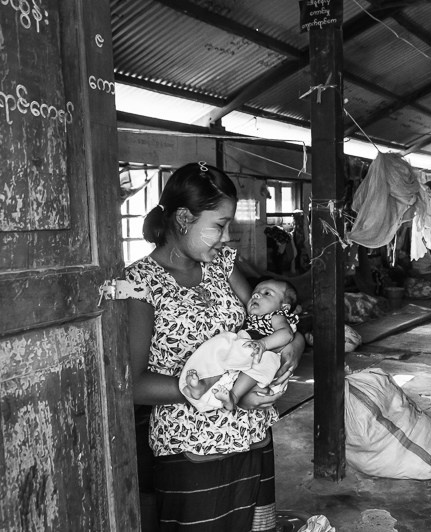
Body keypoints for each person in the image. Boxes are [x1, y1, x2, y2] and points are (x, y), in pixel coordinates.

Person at [125, 162, 305, 531]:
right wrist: (224, 390)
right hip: (191, 448)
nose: (226, 238)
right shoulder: (139, 283)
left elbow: (270, 319)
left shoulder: (222, 266)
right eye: (219, 226)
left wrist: (296, 343)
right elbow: (133, 385)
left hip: (250, 434)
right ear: (183, 218)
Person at [180, 278, 299, 412]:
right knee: (222, 350)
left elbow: (287, 334)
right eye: (255, 292)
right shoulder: (253, 318)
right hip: (246, 349)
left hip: (264, 353)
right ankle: (204, 385)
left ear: (284, 307)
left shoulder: (276, 316)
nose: (256, 295)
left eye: (267, 293)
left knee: (264, 363)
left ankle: (234, 396)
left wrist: (263, 344)